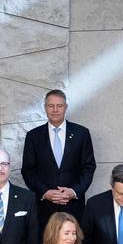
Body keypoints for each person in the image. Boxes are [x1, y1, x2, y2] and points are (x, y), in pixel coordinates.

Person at [21, 89, 97, 233]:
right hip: (44, 208)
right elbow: (28, 170)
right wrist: (44, 192)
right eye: (51, 106)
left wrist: (74, 191)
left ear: (66, 107)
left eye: (59, 106)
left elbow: (89, 167)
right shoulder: (33, 136)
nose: (55, 110)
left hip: (73, 206)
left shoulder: (82, 133)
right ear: (45, 108)